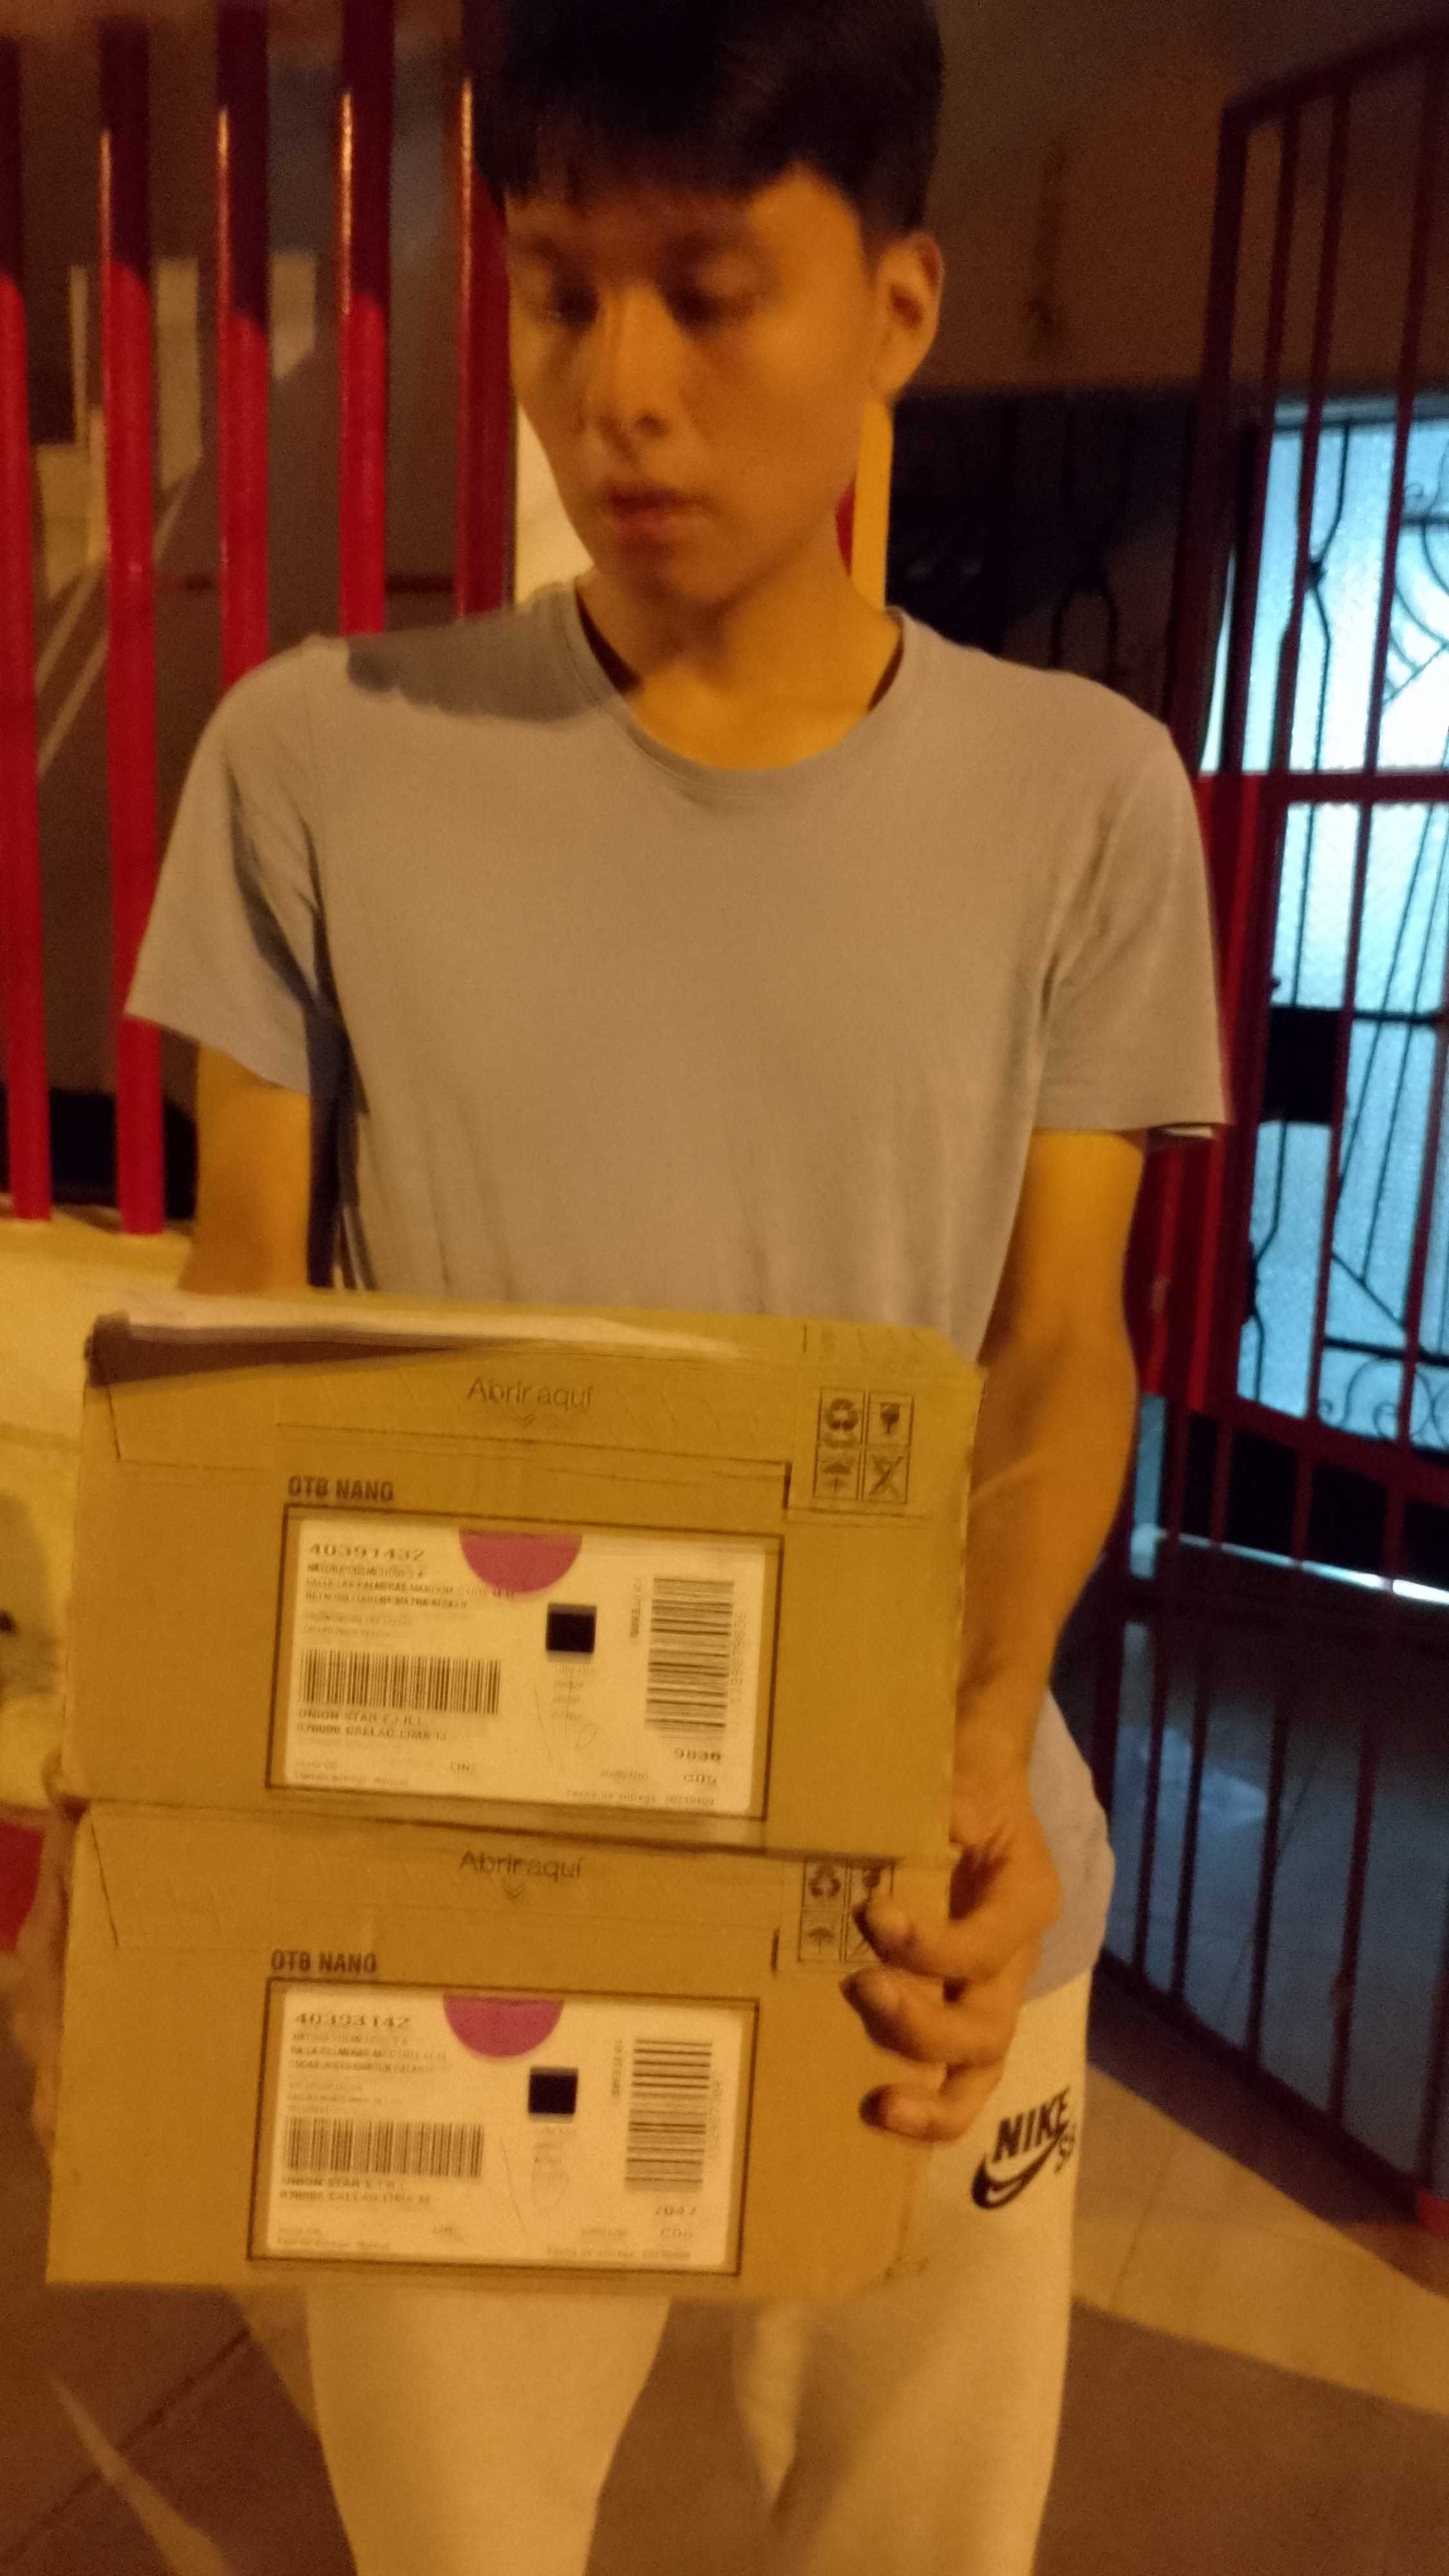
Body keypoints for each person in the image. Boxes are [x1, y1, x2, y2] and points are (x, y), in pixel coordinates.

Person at [11, 0, 1228, 2567]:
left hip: (915, 1890)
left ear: (896, 309)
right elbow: (241, 1352)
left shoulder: (1080, 799)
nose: (619, 388)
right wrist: (156, 1798)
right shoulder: (311, 756)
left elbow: (1050, 1348)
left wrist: (974, 1736)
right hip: (451, 1887)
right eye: (562, 294)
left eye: (709, 290)